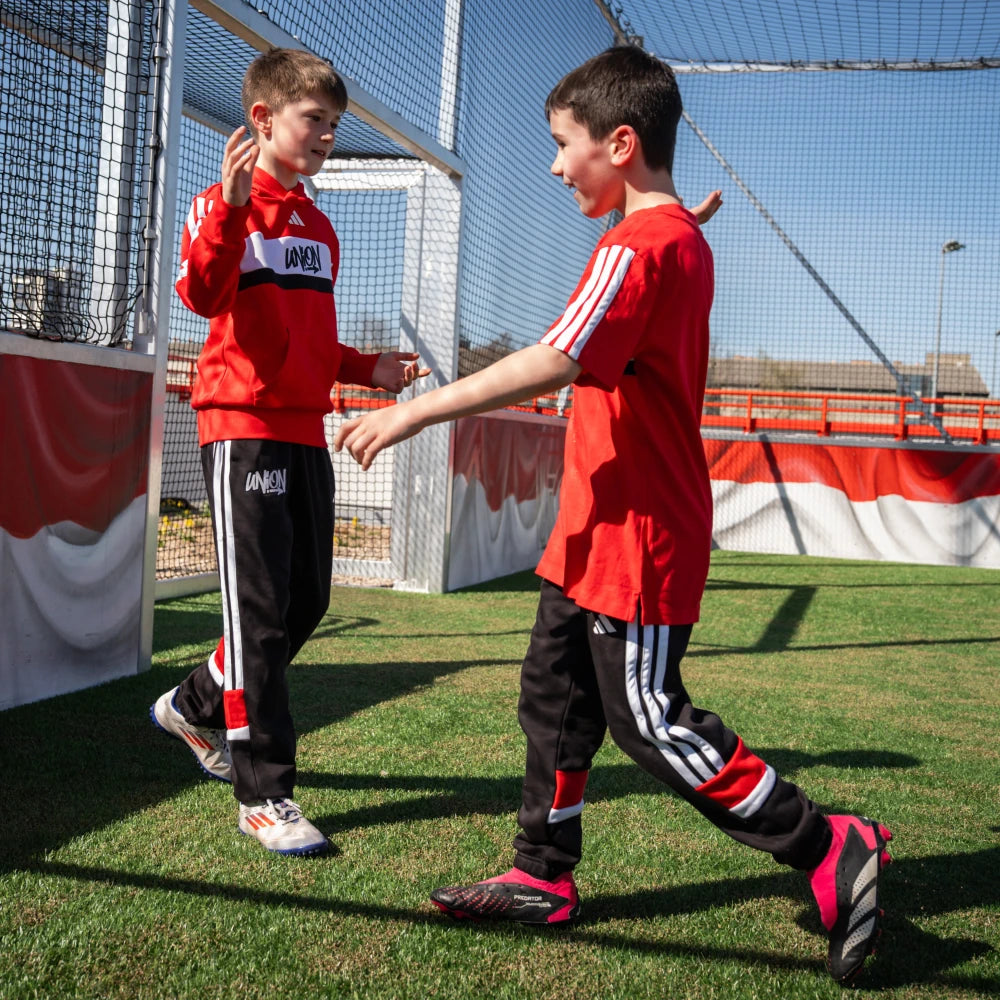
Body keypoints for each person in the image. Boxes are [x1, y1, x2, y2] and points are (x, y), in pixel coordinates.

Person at [335, 45, 892, 983]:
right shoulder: (668, 239)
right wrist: (670, 219)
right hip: (591, 531)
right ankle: (542, 874)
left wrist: (413, 412)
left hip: (638, 536)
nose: (557, 166)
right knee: (553, 698)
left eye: (565, 145)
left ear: (621, 144)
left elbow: (556, 357)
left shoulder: (639, 247)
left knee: (650, 720)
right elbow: (642, 287)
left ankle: (830, 843)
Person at [150, 47, 428, 857]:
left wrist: (367, 369)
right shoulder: (221, 205)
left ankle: (192, 705)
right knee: (261, 615)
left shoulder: (318, 224)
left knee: (304, 602)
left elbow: (309, 339)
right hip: (242, 430)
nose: (327, 136)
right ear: (263, 119)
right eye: (315, 120)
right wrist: (233, 208)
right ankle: (263, 794)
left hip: (306, 430)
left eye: (334, 124)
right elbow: (201, 294)